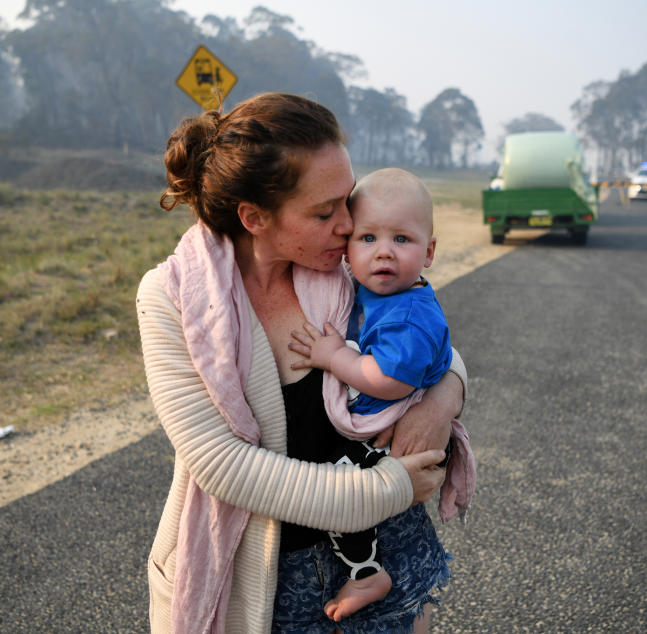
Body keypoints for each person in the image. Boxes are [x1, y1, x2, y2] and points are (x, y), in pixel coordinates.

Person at [137, 92, 475, 634]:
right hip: (266, 577)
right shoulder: (173, 298)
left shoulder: (342, 267)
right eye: (325, 212)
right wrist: (386, 488)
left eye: (348, 200)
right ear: (254, 218)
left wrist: (442, 397)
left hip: (387, 552)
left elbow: (428, 343)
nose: (349, 226)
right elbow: (221, 465)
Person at [288, 168, 453, 623]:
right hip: (380, 422)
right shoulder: (378, 292)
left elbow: (387, 380)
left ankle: (367, 573)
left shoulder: (410, 315)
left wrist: (334, 357)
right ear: (347, 249)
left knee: (342, 492)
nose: (383, 251)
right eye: (367, 239)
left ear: (430, 251)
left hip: (384, 429)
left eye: (402, 239)